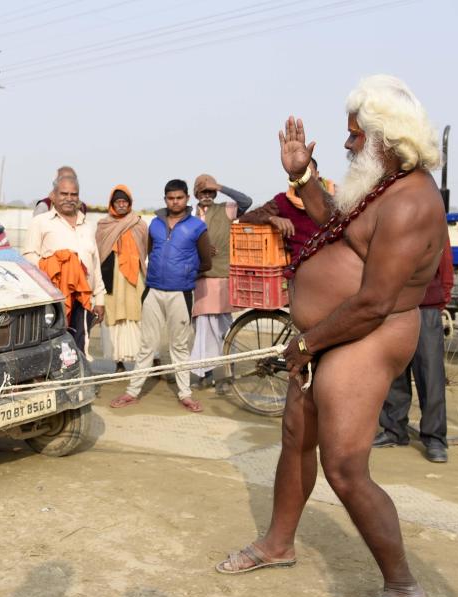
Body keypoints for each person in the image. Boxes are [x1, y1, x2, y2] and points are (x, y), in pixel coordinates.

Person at [216, 75, 447, 597]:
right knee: (297, 438)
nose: (345, 145)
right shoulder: (381, 189)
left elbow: (372, 303)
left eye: (353, 136)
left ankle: (402, 587)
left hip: (366, 336)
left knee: (346, 467)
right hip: (329, 337)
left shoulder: (414, 201)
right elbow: (332, 224)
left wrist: (307, 343)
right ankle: (278, 543)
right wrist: (300, 175)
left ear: (386, 139)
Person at [109, 179, 212, 413]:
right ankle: (132, 392)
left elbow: (206, 262)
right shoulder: (154, 224)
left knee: (179, 346)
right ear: (165, 199)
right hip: (153, 291)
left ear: (187, 199)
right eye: (170, 198)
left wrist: (184, 273)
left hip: (181, 294)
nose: (175, 202)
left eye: (179, 197)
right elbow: (148, 252)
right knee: (147, 345)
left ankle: (185, 394)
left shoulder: (197, 227)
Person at [374, 235, 454, 462]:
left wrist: (441, 299)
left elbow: (445, 262)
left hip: (426, 305)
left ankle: (435, 439)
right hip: (393, 305)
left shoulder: (430, 216)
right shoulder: (391, 220)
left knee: (430, 376)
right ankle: (394, 431)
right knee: (395, 373)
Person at [23, 176, 105, 353]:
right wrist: (57, 264)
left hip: (83, 300)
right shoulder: (41, 222)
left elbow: (95, 264)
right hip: (53, 300)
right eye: (64, 193)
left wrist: (100, 299)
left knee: (80, 346)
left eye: (74, 194)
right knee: (54, 348)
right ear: (53, 195)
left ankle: (77, 380)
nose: (69, 198)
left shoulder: (88, 226)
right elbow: (28, 256)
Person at [188, 174, 252, 390]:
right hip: (198, 280)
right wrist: (200, 251)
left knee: (224, 330)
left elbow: (247, 202)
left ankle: (227, 376)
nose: (207, 195)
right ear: (196, 194)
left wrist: (219, 186)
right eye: (203, 191)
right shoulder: (189, 215)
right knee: (202, 330)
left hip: (222, 277)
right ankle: (203, 375)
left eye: (210, 191)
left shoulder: (225, 209)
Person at [95, 185, 148, 371]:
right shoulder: (103, 226)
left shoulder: (139, 224)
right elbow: (98, 253)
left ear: (130, 203)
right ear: (112, 204)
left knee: (139, 314)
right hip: (112, 278)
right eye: (118, 202)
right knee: (114, 315)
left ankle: (145, 358)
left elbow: (145, 249)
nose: (121, 205)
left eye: (125, 202)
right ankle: (118, 361)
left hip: (135, 279)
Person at [239, 158, 336, 256]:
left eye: (307, 173)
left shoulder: (338, 196)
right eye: (297, 174)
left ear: (316, 174)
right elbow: (246, 217)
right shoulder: (282, 201)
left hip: (335, 258)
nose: (302, 178)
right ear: (291, 177)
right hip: (301, 262)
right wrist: (272, 219)